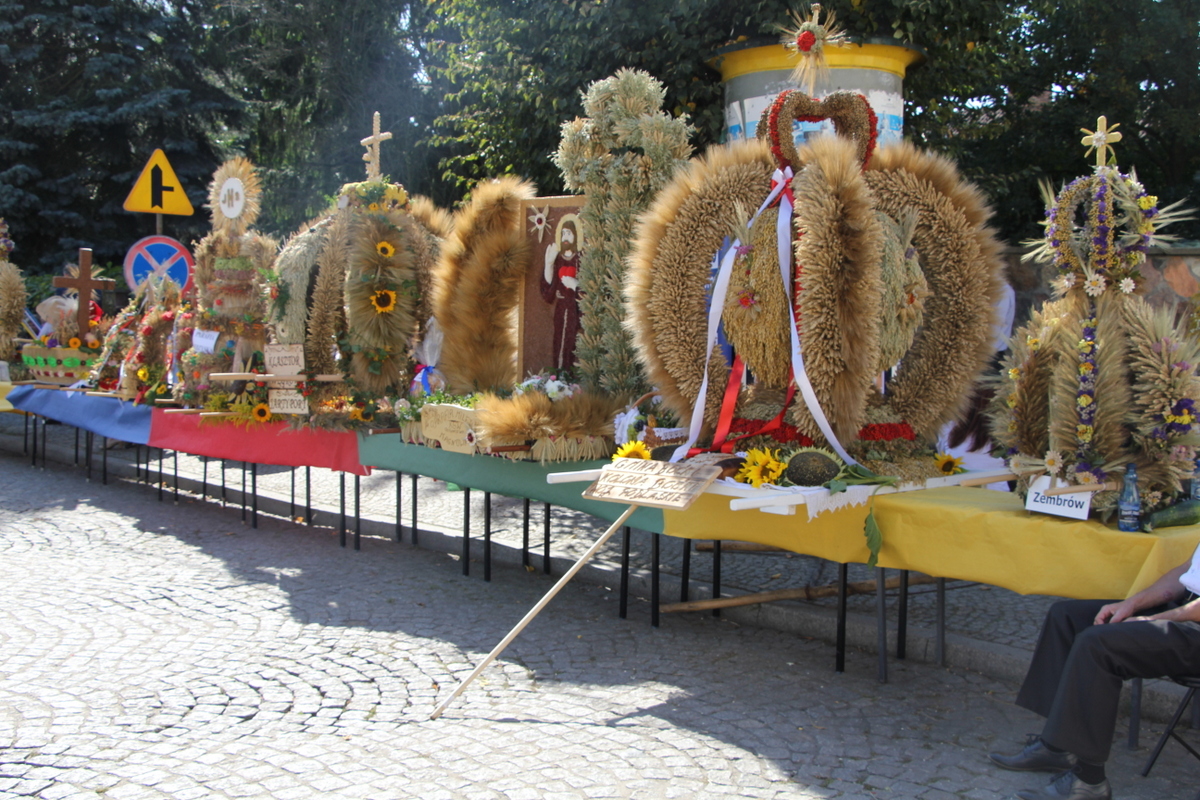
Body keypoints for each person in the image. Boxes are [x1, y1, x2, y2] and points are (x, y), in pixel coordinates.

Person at [988, 546, 1200, 799]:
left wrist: (1159, 620)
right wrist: (1131, 604)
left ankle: (1089, 781)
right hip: (1185, 610)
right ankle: (1058, 746)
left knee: (1097, 644)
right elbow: (1187, 570)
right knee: (1066, 616)